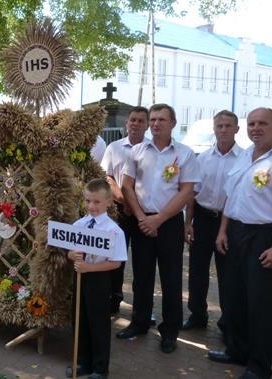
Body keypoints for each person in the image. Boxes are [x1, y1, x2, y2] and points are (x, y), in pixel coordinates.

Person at [208, 107, 272, 379]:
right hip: (236, 233)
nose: (255, 128)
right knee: (233, 297)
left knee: (261, 304)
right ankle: (237, 350)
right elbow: (232, 196)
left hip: (265, 237)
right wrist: (223, 231)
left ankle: (260, 366)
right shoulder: (244, 157)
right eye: (251, 123)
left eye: (262, 123)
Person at [118, 103, 199, 354]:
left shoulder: (185, 154)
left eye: (161, 119)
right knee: (141, 277)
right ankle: (139, 322)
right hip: (142, 222)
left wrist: (159, 219)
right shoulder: (138, 151)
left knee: (171, 279)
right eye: (152, 119)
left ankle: (170, 331)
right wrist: (143, 217)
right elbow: (127, 186)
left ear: (173, 123)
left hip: (169, 224)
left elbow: (187, 191)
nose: (155, 124)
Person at [183, 110, 243, 332]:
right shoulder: (203, 159)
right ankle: (197, 315)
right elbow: (191, 194)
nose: (224, 130)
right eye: (220, 126)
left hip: (229, 224)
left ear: (237, 129)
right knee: (197, 272)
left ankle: (228, 322)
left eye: (228, 125)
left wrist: (224, 230)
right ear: (214, 129)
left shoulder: (245, 159)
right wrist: (188, 223)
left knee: (228, 276)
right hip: (203, 219)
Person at [65, 178, 125, 379]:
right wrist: (71, 255)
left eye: (97, 202)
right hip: (80, 278)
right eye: (88, 201)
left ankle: (100, 368)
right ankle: (83, 362)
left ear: (109, 201)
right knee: (80, 320)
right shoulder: (79, 224)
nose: (92, 206)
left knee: (98, 323)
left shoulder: (113, 231)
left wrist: (90, 267)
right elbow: (70, 251)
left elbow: (116, 263)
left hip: (99, 279)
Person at [101, 106, 149, 314]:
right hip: (119, 211)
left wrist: (136, 206)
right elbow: (107, 177)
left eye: (140, 120)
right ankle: (113, 299)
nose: (136, 124)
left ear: (147, 125)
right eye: (133, 120)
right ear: (126, 124)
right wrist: (125, 201)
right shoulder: (114, 147)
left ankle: (142, 307)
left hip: (146, 214)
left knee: (143, 262)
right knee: (116, 258)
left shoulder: (151, 149)